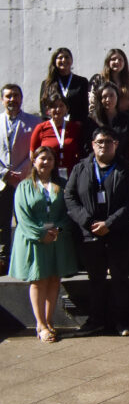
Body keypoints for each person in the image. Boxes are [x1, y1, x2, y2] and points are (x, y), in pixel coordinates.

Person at [63, 126, 129, 336]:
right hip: (90, 234)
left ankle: (122, 321)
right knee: (95, 279)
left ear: (116, 144)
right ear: (93, 145)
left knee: (120, 278)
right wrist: (88, 222)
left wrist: (110, 224)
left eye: (108, 142)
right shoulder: (81, 168)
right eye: (100, 142)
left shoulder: (126, 169)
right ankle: (96, 320)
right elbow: (70, 197)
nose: (103, 145)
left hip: (118, 233)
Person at [8, 146, 77, 342]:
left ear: (54, 163)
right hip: (35, 240)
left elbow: (68, 211)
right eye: (42, 158)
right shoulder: (24, 186)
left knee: (54, 279)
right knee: (38, 280)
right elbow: (22, 216)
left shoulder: (61, 184)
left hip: (57, 238)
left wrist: (57, 230)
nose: (45, 162)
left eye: (49, 159)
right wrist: (41, 234)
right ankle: (40, 324)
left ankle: (49, 321)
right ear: (34, 161)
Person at [0, 84, 42, 272]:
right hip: (2, 182)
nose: (12, 99)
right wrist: (4, 173)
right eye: (8, 96)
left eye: (16, 95)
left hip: (24, 180)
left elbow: (37, 151)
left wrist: (22, 171)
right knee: (2, 223)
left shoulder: (34, 122)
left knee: (25, 221)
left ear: (21, 98)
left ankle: (26, 259)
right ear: (2, 100)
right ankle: (3, 260)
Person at [30, 92, 85, 178]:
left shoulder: (74, 127)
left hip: (72, 174)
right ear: (48, 110)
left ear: (67, 109)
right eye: (54, 106)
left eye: (61, 106)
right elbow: (33, 154)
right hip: (48, 174)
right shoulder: (41, 128)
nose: (58, 109)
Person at [39, 48, 90, 123]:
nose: (63, 60)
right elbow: (43, 109)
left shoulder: (82, 82)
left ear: (71, 60)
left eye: (66, 57)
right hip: (53, 125)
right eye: (60, 58)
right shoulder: (47, 83)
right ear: (55, 61)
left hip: (75, 125)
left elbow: (84, 109)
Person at [88, 82, 129, 156]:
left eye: (111, 95)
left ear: (117, 97)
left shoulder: (128, 120)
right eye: (104, 96)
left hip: (122, 160)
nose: (108, 99)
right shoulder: (92, 120)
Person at [88, 48, 129, 115]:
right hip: (106, 117)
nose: (117, 62)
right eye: (113, 59)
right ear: (108, 62)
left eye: (120, 59)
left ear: (124, 62)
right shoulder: (98, 79)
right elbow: (92, 102)